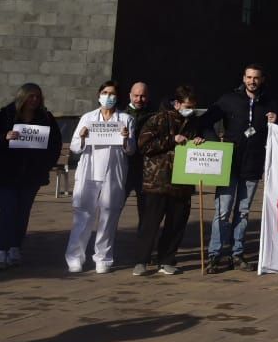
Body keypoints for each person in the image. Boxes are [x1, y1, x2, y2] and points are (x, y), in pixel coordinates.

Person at [193, 64, 277, 274]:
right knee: (222, 212)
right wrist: (214, 142)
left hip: (252, 164)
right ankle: (215, 254)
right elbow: (204, 122)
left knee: (244, 211)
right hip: (229, 163)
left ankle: (237, 253)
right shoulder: (229, 99)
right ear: (243, 78)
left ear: (262, 79)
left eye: (256, 78)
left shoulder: (269, 103)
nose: (252, 81)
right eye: (249, 77)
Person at [0, 83, 61, 270]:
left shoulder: (45, 117)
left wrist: (45, 164)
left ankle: (15, 247)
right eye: (31, 96)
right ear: (22, 97)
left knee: (22, 212)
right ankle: (0, 250)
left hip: (31, 174)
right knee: (7, 211)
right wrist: (5, 137)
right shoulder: (6, 114)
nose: (34, 100)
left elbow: (54, 143)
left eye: (37, 97)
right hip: (7, 172)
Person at [65, 80, 135, 274]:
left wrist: (125, 138)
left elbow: (131, 150)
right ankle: (75, 257)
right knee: (82, 214)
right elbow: (74, 146)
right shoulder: (88, 118)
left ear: (117, 97)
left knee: (109, 215)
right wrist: (83, 136)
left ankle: (103, 257)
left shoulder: (126, 119)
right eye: (105, 92)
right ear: (98, 95)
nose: (108, 97)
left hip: (113, 171)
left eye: (112, 94)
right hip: (89, 170)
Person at [132, 85, 202, 275]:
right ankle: (141, 261)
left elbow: (203, 140)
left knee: (176, 223)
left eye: (193, 106)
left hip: (182, 182)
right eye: (188, 106)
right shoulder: (158, 119)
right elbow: (144, 145)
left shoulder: (194, 122)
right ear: (177, 104)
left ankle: (167, 259)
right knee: (150, 223)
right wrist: (172, 139)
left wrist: (198, 141)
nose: (191, 109)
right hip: (157, 181)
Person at [125, 81, 155, 208]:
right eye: (136, 95)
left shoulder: (154, 116)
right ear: (130, 95)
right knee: (115, 206)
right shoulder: (120, 115)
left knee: (144, 208)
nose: (139, 99)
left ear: (147, 97)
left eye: (142, 96)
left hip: (144, 168)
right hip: (124, 167)